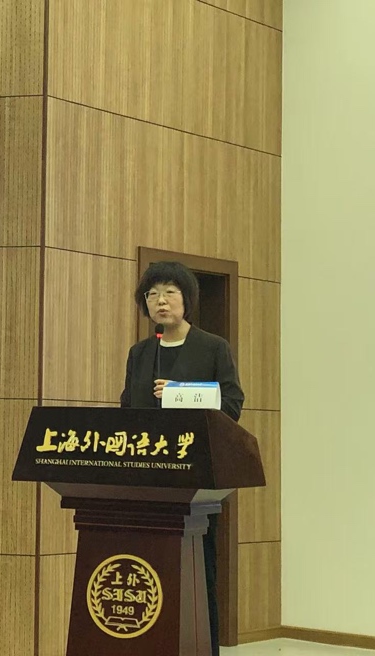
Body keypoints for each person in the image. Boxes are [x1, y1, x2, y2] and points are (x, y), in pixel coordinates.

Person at [120, 260, 244, 656]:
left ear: (186, 299)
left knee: (196, 571)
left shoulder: (212, 347)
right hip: (147, 478)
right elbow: (127, 409)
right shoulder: (140, 353)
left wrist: (180, 392)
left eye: (169, 293)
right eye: (152, 294)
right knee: (147, 564)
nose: (160, 301)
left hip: (195, 480)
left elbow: (232, 405)